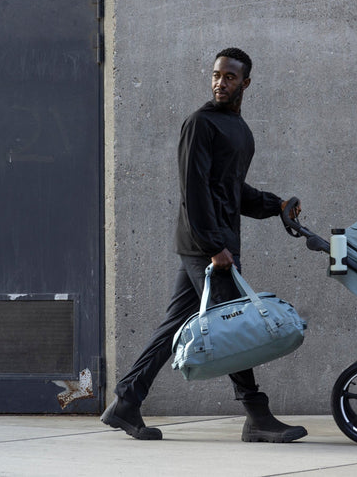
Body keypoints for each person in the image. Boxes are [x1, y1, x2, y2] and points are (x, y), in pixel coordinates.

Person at [101, 48, 307, 443]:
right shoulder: (200, 123)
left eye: (230, 77)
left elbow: (233, 191)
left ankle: (126, 401)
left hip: (216, 243)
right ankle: (257, 415)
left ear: (245, 83)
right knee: (234, 326)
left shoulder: (240, 131)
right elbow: (193, 189)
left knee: (175, 325)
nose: (220, 82)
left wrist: (276, 205)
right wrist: (213, 245)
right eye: (216, 75)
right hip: (207, 245)